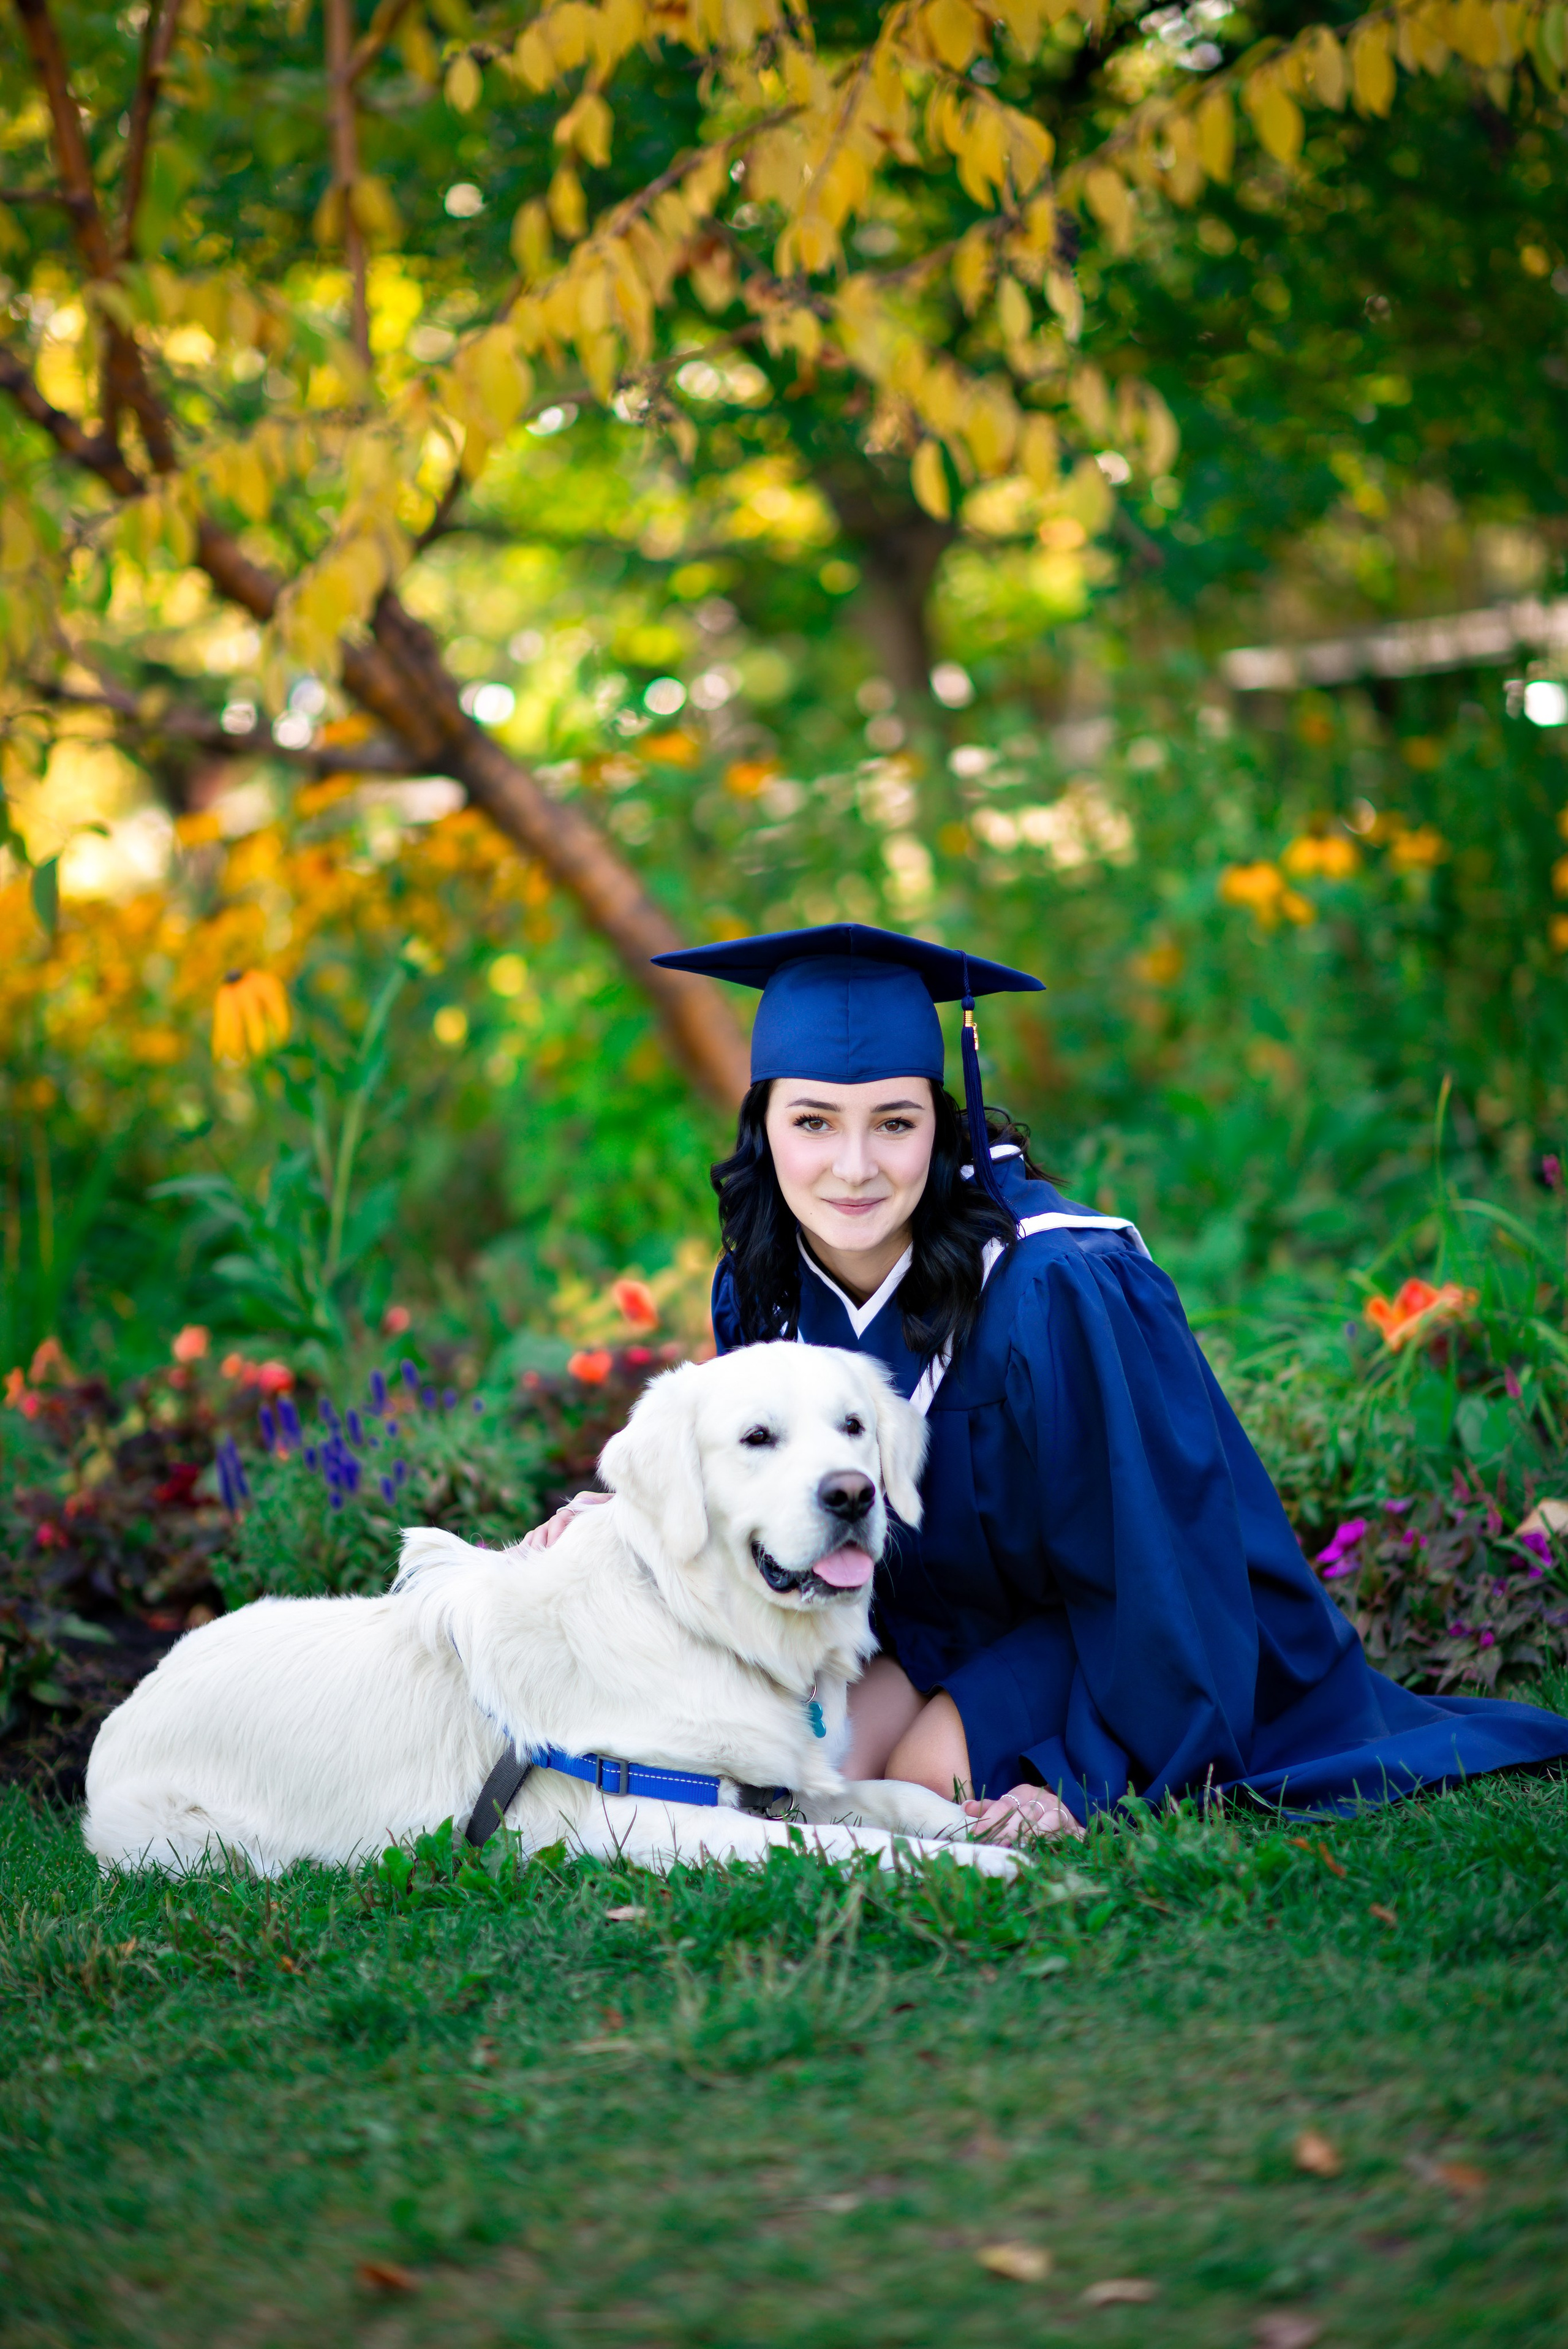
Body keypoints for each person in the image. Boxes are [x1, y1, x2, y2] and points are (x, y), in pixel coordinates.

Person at [533, 922, 1568, 1841]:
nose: (853, 1167)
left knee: (930, 1781)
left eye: (894, 1122)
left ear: (943, 1124)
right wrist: (628, 1512)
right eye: (813, 1122)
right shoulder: (762, 1287)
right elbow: (765, 1488)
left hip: (1119, 1628)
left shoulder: (1059, 1286)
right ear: (764, 1125)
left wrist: (1083, 1770)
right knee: (820, 1783)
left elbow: (1159, 1561)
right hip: (935, 1629)